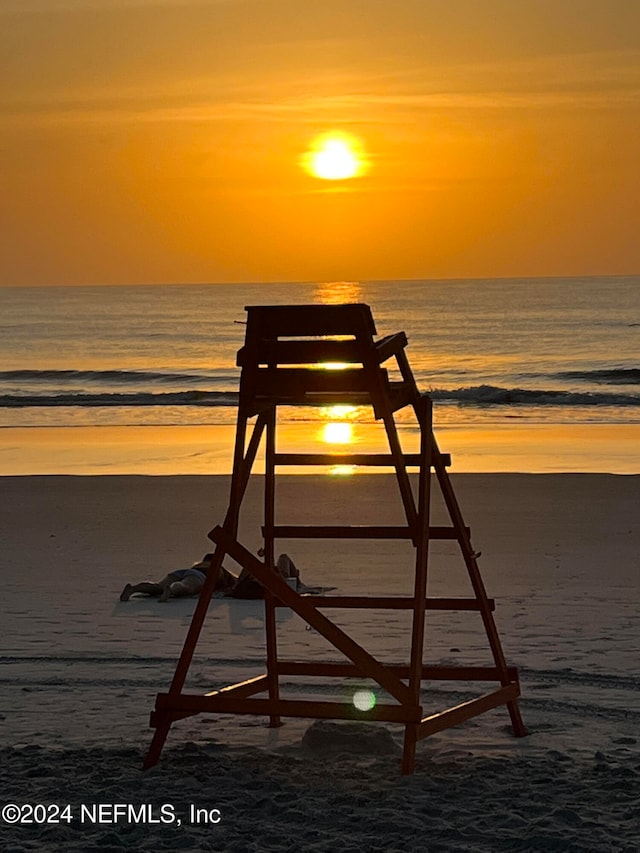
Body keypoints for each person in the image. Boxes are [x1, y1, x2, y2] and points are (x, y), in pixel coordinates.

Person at [119, 553, 237, 602]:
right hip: (199, 576)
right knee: (186, 587)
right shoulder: (218, 569)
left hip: (184, 571)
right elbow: (233, 581)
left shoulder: (199, 564)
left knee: (158, 586)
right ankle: (171, 590)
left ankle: (133, 589)